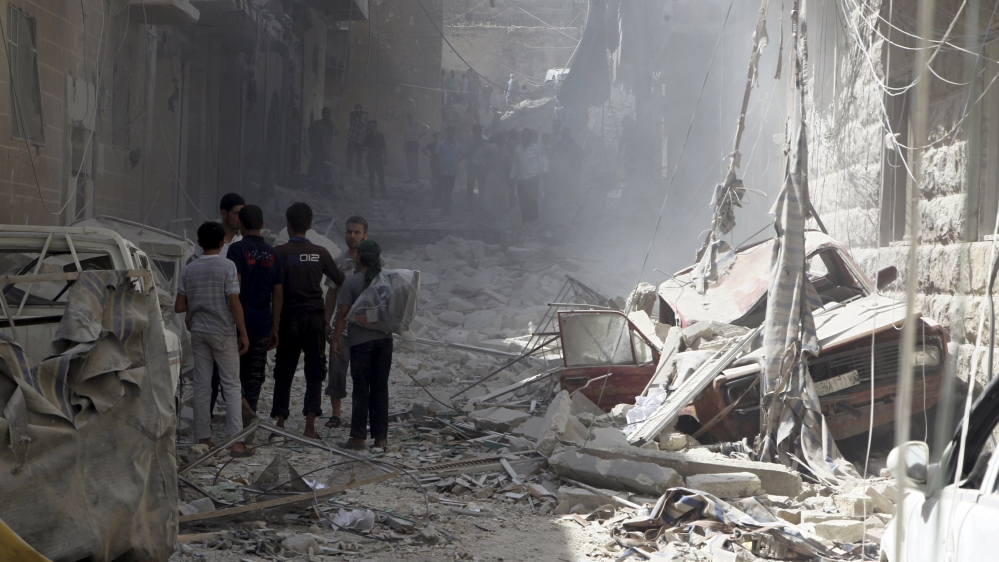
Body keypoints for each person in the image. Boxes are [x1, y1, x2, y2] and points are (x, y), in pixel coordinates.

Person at [175, 221, 250, 457]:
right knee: (231, 385)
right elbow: (233, 301)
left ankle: (204, 439)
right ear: (222, 242)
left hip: (198, 332)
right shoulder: (227, 266)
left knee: (202, 385)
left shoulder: (190, 269)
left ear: (198, 243)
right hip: (223, 331)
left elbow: (179, 306)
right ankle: (236, 442)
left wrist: (196, 306)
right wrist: (243, 332)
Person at [272, 203, 345, 438]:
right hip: (315, 319)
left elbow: (275, 291)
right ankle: (310, 427)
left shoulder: (279, 253)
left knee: (284, 370)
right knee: (315, 371)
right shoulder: (321, 252)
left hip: (288, 318)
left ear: (288, 224)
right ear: (311, 225)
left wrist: (274, 326)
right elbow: (340, 279)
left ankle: (280, 425)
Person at [331, 240, 393, 450]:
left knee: (360, 389)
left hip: (360, 343)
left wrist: (335, 339)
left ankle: (358, 438)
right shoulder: (386, 281)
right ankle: (380, 438)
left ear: (359, 257)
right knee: (380, 388)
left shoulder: (351, 282)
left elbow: (342, 314)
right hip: (385, 341)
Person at [226, 205, 283, 420]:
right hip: (262, 322)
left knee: (233, 370)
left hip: (238, 321)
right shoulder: (274, 254)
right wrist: (275, 327)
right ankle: (249, 416)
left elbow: (235, 286)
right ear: (262, 224)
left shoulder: (236, 250)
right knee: (255, 373)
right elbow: (278, 294)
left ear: (240, 223)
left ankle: (239, 413)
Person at [196, 193, 244, 418]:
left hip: (233, 315)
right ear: (224, 213)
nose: (240, 218)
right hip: (211, 316)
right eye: (236, 213)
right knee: (209, 378)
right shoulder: (209, 240)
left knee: (232, 376)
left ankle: (237, 420)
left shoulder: (242, 244)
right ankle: (207, 420)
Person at [321, 216, 370, 428]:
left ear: (365, 235)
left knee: (363, 373)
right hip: (342, 326)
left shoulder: (374, 263)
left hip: (366, 328)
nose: (352, 236)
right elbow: (331, 294)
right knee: (337, 370)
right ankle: (336, 414)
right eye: (349, 231)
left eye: (357, 232)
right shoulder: (338, 262)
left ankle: (361, 414)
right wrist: (326, 321)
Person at [511, 128, 547, 224]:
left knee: (532, 202)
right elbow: (515, 163)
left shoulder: (536, 148)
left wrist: (543, 172)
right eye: (524, 135)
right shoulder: (518, 149)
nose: (525, 137)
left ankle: (534, 223)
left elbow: (543, 161)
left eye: (528, 135)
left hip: (532, 179)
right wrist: (512, 175)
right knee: (522, 202)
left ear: (531, 136)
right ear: (521, 136)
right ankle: (525, 222)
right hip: (521, 179)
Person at [435, 126, 463, 215]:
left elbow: (464, 154)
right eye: (449, 133)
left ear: (454, 134)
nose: (450, 135)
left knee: (448, 193)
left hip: (452, 173)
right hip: (442, 172)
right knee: (439, 191)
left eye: (452, 133)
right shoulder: (440, 144)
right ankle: (437, 209)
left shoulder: (457, 146)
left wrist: (457, 161)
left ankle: (446, 211)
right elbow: (437, 157)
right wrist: (438, 170)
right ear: (446, 134)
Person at [307, 107, 336, 186]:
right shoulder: (317, 124)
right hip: (318, 149)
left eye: (329, 113)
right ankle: (314, 182)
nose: (327, 115)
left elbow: (335, 132)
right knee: (316, 165)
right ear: (322, 114)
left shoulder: (330, 124)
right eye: (325, 113)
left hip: (327, 150)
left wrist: (332, 126)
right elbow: (310, 132)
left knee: (326, 166)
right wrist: (313, 145)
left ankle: (324, 183)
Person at [363, 120, 388, 197]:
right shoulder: (368, 136)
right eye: (369, 126)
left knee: (381, 176)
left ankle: (383, 194)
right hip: (370, 158)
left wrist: (385, 158)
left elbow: (384, 148)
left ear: (375, 126)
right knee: (371, 176)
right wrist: (367, 150)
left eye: (371, 126)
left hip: (378, 158)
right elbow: (363, 146)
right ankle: (372, 194)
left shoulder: (381, 136)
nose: (370, 127)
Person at [404, 114, 430, 184]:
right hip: (408, 144)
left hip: (414, 143)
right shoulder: (406, 124)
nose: (410, 118)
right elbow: (405, 135)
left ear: (413, 117)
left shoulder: (417, 123)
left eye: (411, 117)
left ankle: (415, 179)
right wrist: (405, 145)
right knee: (409, 162)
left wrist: (421, 135)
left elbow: (427, 127)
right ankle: (411, 178)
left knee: (414, 161)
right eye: (408, 117)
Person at [464, 124, 486, 197]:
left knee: (482, 187)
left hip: (481, 167)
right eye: (476, 132)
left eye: (479, 132)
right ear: (473, 132)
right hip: (471, 166)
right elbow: (466, 152)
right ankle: (469, 201)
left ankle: (481, 202)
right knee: (470, 186)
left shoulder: (485, 142)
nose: (477, 134)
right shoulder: (469, 141)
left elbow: (487, 154)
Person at [347, 104, 368, 177]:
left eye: (359, 108)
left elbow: (366, 129)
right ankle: (348, 173)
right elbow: (352, 113)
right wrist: (359, 111)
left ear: (361, 109)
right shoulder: (353, 116)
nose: (357, 110)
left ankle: (359, 174)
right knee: (350, 157)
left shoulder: (364, 119)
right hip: (352, 139)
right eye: (356, 108)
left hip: (360, 140)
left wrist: (365, 141)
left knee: (359, 158)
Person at [423, 132, 442, 202]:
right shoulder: (431, 145)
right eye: (436, 137)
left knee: (440, 176)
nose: (437, 138)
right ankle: (433, 189)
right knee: (434, 175)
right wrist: (430, 156)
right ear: (434, 138)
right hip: (433, 162)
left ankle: (439, 190)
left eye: (438, 137)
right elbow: (422, 150)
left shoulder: (442, 145)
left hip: (440, 162)